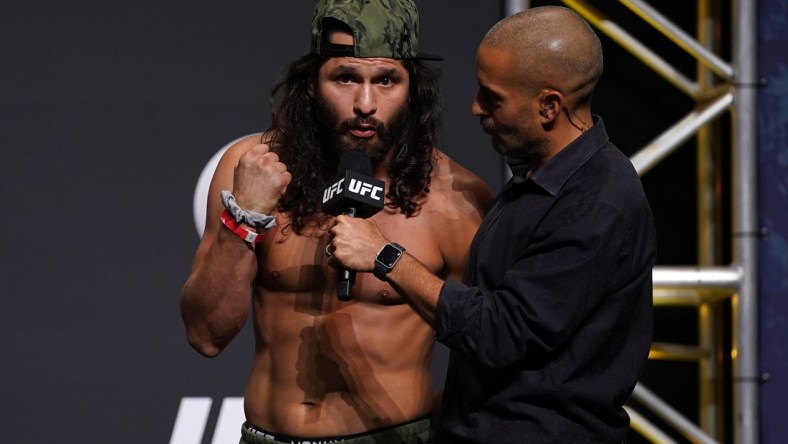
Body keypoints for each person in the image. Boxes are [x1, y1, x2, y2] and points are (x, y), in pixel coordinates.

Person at [328, 6, 657, 443]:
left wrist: (385, 256)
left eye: (492, 97)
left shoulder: (598, 202)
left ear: (549, 106)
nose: (476, 108)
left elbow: (499, 332)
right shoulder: (540, 177)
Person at [180, 0, 493, 443]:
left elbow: (489, 349)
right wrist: (245, 219)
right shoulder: (251, 167)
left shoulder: (455, 200)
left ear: (414, 89)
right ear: (311, 82)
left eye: (386, 80)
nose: (365, 103)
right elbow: (205, 334)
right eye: (346, 77)